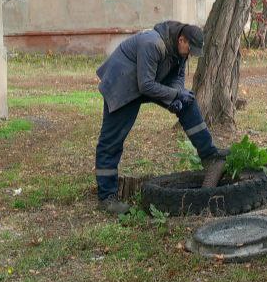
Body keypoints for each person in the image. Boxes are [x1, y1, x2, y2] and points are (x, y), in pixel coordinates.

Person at [94, 21, 226, 214]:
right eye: (190, 49)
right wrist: (173, 95)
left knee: (188, 102)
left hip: (147, 80)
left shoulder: (180, 48)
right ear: (182, 39)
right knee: (111, 140)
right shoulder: (152, 44)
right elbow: (145, 85)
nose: (190, 55)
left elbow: (178, 77)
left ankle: (209, 154)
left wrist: (178, 93)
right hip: (123, 83)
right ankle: (107, 198)